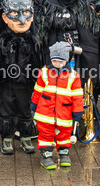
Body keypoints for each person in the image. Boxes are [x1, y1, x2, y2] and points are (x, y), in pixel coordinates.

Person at [0, 0, 43, 155]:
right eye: (15, 15)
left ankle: (25, 137)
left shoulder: (34, 40)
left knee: (25, 110)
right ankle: (6, 138)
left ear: (32, 16)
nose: (21, 20)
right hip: (7, 84)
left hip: (27, 83)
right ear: (5, 18)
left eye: (26, 14)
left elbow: (39, 62)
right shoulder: (1, 40)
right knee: (6, 110)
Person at [31, 41, 84, 169]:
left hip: (65, 113)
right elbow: (38, 90)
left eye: (61, 62)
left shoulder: (73, 76)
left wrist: (77, 111)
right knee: (45, 134)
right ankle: (46, 156)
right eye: (55, 61)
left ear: (66, 60)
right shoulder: (44, 72)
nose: (58, 64)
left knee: (64, 134)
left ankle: (64, 153)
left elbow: (77, 96)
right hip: (45, 113)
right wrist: (34, 105)